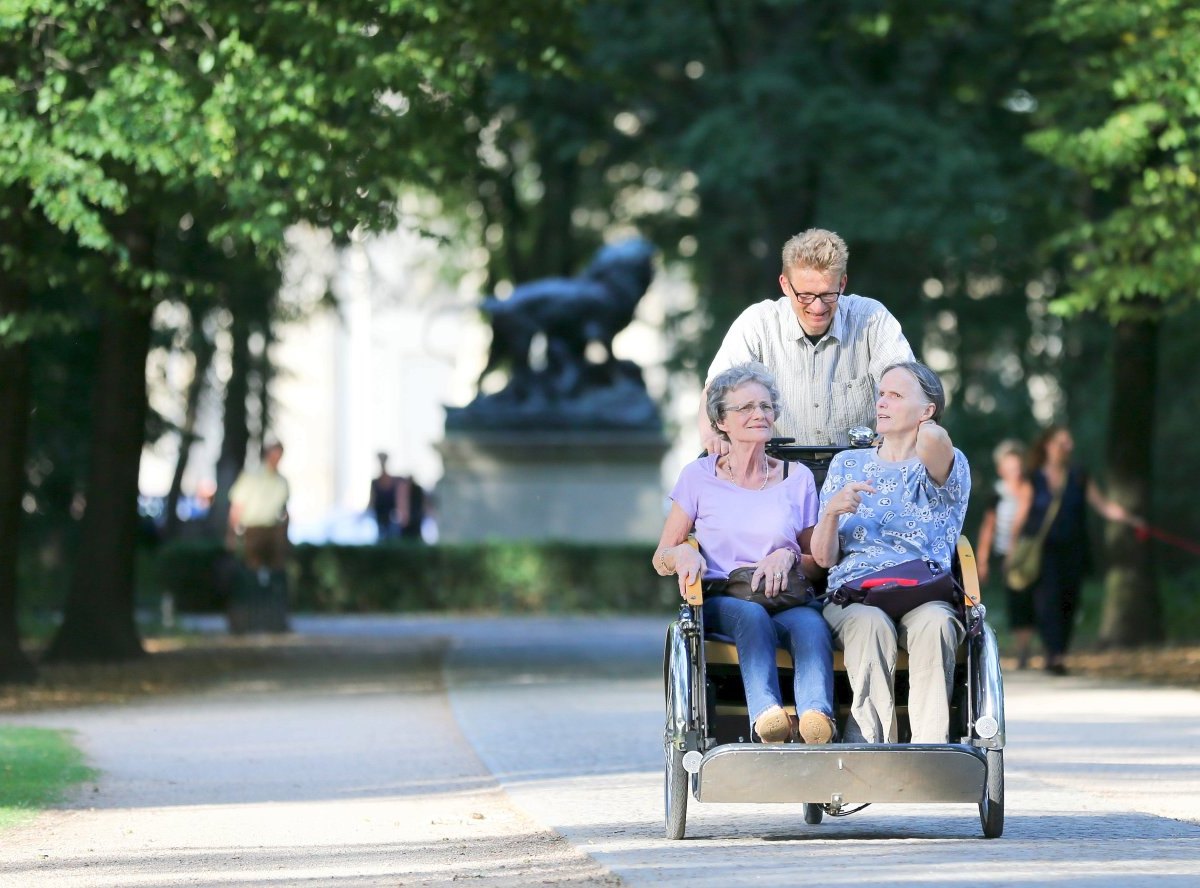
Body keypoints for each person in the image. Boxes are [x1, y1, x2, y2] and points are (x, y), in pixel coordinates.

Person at [654, 362, 836, 744]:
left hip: (787, 594)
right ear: (722, 421)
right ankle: (767, 716)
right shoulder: (698, 476)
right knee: (751, 616)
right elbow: (662, 556)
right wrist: (683, 556)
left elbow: (817, 564)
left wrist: (787, 557)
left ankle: (817, 718)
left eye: (766, 407)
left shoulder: (797, 478)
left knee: (812, 625)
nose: (760, 414)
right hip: (727, 595)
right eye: (747, 408)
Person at [812, 361, 970, 744]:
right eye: (881, 393)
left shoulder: (943, 463)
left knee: (936, 624)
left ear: (927, 411)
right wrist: (832, 511)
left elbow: (935, 442)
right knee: (871, 625)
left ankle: (930, 748)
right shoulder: (847, 463)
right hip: (855, 595)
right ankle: (870, 742)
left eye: (895, 396)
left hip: (923, 592)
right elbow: (823, 558)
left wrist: (922, 426)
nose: (881, 403)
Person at [699, 228, 914, 454]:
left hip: (861, 472)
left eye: (827, 295)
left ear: (842, 284)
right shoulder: (758, 323)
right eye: (805, 296)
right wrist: (712, 435)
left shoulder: (872, 319)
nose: (817, 307)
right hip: (778, 473)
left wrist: (895, 442)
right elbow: (717, 388)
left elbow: (909, 387)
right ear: (784, 285)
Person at [1007, 425, 1136, 676]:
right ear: (1048, 445)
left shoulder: (1079, 475)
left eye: (1069, 443)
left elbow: (1102, 504)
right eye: (1062, 442)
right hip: (1044, 552)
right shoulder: (1034, 477)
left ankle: (1059, 652)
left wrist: (1128, 518)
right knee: (1047, 601)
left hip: (1074, 550)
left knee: (1069, 600)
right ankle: (1053, 653)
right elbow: (1022, 514)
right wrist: (1012, 549)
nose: (1068, 447)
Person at [976, 439, 1035, 669]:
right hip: (1004, 553)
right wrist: (981, 560)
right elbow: (988, 526)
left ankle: (1027, 648)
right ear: (1001, 469)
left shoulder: (1030, 489)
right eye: (1009, 468)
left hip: (1029, 552)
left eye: (1017, 468)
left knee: (1030, 599)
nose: (1014, 473)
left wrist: (1013, 550)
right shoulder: (996, 492)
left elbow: (1022, 520)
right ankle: (1022, 650)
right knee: (1016, 599)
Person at [227, 440, 290, 585]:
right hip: (252, 530)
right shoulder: (251, 477)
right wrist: (231, 534)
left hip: (274, 530)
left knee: (275, 570)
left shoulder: (282, 481)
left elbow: (284, 510)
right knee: (252, 569)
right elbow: (237, 507)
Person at [368, 452, 405, 541]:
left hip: (392, 518)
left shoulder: (394, 481)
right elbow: (372, 501)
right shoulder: (375, 482)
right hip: (379, 517)